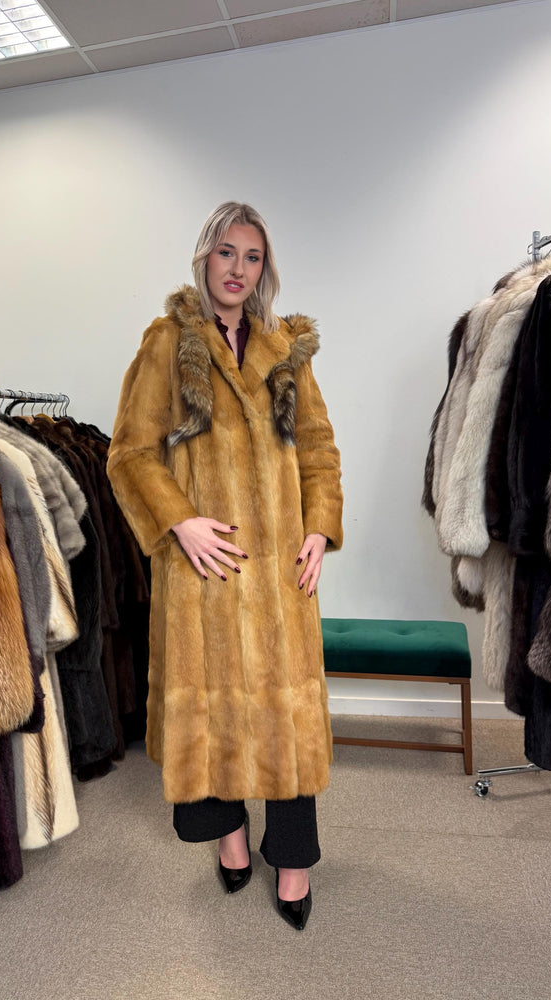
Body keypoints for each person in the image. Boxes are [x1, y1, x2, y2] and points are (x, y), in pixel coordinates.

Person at [107, 201, 343, 931]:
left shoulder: (286, 348)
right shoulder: (168, 344)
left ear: (264, 268)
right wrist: (180, 520)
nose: (238, 268)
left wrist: (319, 528)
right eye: (226, 253)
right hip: (204, 572)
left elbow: (319, 449)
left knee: (287, 718)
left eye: (252, 256)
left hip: (279, 573)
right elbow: (131, 454)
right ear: (204, 257)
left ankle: (294, 861)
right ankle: (230, 837)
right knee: (210, 714)